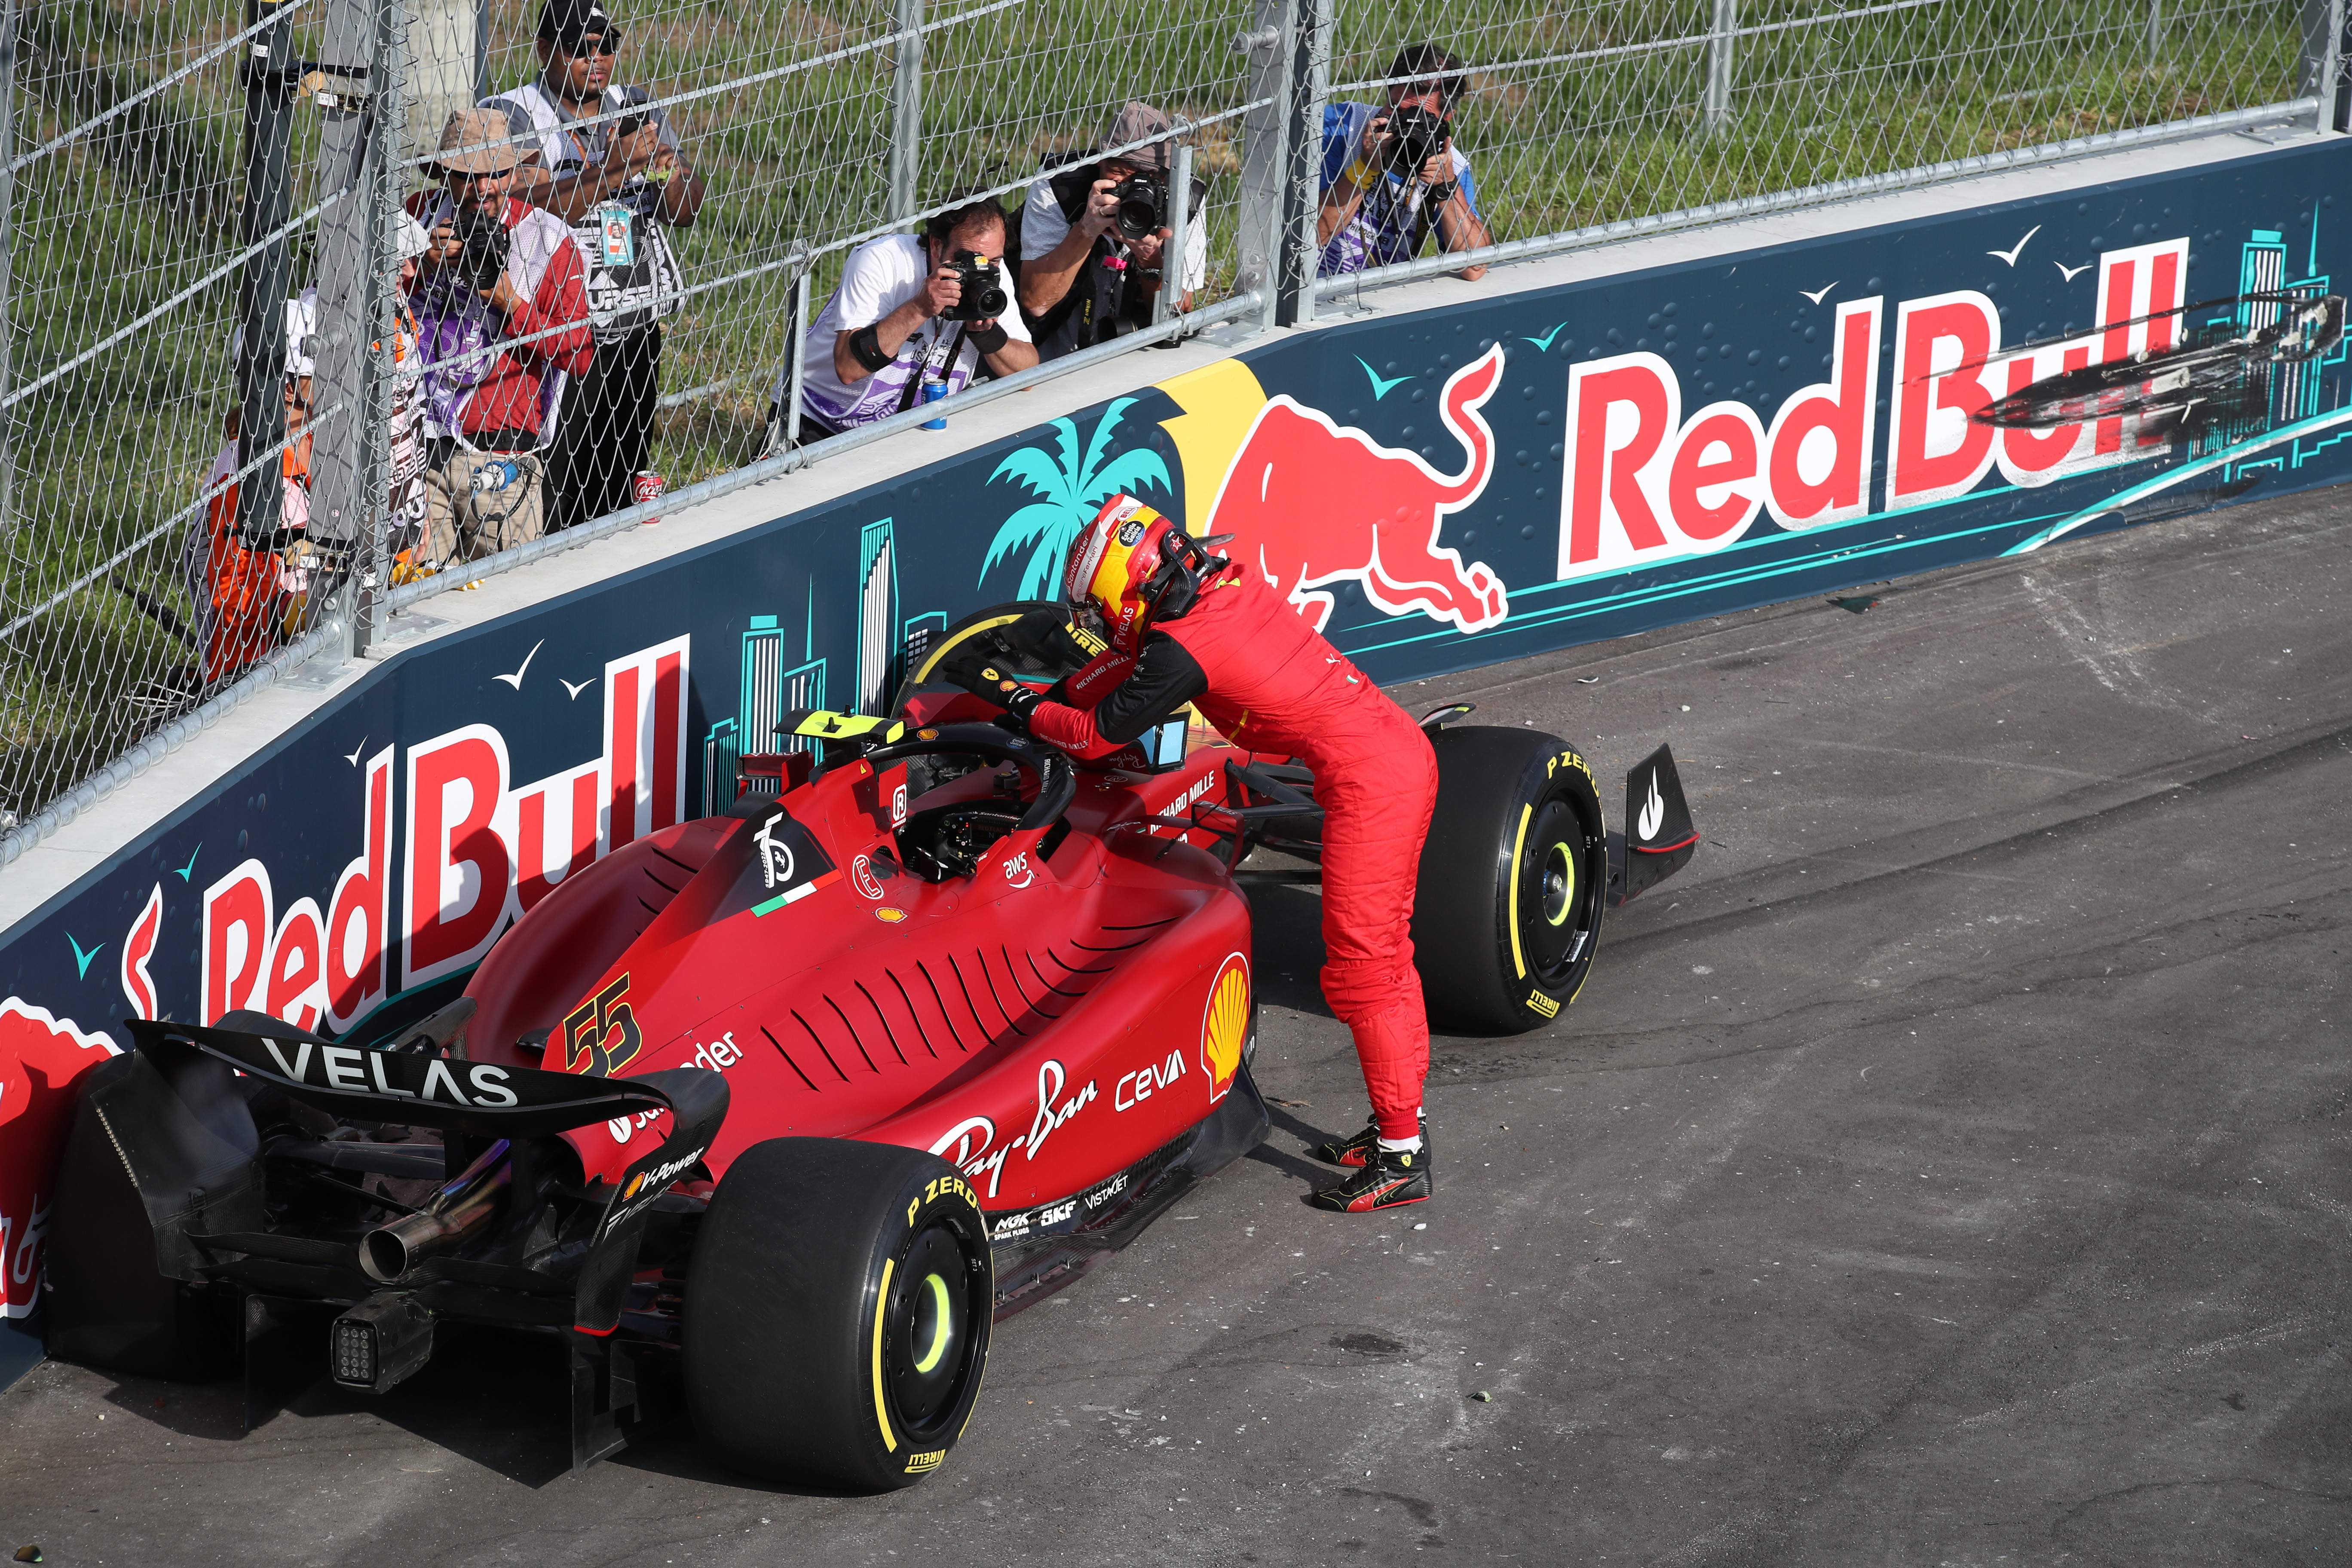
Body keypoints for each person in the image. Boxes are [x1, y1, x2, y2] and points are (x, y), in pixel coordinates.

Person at [943, 496, 1440, 1213]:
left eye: (1098, 605)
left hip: (1376, 780)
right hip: (1384, 755)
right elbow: (1123, 664)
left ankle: (1401, 1154)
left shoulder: (1182, 647)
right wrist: (1043, 694)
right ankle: (1397, 1129)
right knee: (1381, 958)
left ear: (1131, 587)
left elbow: (1093, 736)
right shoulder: (1218, 583)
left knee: (1366, 966)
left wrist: (1016, 703)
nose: (1096, 620)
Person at [487, 0, 706, 533]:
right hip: (554, 338)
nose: (597, 58)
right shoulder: (514, 113)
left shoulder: (633, 105)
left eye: (606, 45)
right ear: (544, 50)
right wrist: (616, 169)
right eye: (580, 48)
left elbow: (687, 209)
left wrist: (665, 170)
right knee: (558, 491)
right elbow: (529, 204)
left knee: (621, 477)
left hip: (632, 327)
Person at [405, 106, 593, 566]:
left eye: (497, 173)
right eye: (469, 174)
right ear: (445, 175)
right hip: (418, 445)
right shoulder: (417, 218)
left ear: (513, 172)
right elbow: (367, 304)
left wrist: (510, 303)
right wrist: (420, 268)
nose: (484, 187)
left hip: (504, 454)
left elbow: (581, 354)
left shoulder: (548, 239)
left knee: (507, 605)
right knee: (416, 606)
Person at [771, 194, 1038, 440]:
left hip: (904, 428)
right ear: (936, 245)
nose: (980, 270)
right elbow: (848, 369)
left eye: (992, 261)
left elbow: (1028, 374)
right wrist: (920, 307)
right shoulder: (883, 260)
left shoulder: (994, 276)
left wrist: (987, 334)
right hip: (817, 417)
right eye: (968, 259)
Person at [1015, 101, 1208, 361]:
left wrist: (1150, 258)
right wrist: (1085, 230)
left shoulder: (1186, 198)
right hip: (1054, 353)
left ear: (1164, 178)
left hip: (1141, 355)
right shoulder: (1060, 183)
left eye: (1146, 181)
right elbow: (1036, 302)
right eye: (1118, 174)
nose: (1130, 192)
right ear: (1100, 160)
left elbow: (1178, 317)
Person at [190, 299, 317, 685]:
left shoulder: (306, 440)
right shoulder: (251, 482)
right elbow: (246, 611)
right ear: (291, 385)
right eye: (322, 373)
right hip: (257, 673)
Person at [1317, 43, 1491, 283]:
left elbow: (1475, 268)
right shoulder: (1340, 127)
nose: (1403, 122)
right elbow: (1308, 237)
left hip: (1378, 293)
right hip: (1309, 285)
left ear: (1446, 117)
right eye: (1394, 107)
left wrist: (1445, 188)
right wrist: (1364, 169)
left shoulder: (1450, 163)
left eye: (1418, 114)